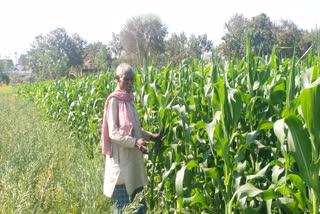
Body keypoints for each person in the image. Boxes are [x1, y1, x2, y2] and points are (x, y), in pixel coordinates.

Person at [101, 63, 160, 214]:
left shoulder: (128, 100)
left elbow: (135, 128)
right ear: (117, 79)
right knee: (123, 208)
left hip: (132, 161)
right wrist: (134, 142)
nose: (129, 83)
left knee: (139, 205)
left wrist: (151, 136)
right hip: (121, 164)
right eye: (126, 79)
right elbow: (113, 133)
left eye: (131, 80)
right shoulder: (114, 100)